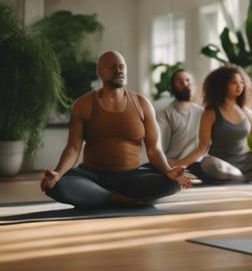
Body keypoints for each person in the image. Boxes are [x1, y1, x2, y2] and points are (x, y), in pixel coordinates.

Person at [40, 51, 190, 208]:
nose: (119, 71)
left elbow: (154, 149)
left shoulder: (142, 103)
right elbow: (73, 148)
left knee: (173, 183)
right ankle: (117, 197)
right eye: (113, 67)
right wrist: (57, 173)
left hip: (131, 177)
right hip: (91, 176)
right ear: (100, 72)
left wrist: (168, 171)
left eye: (121, 66)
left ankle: (101, 197)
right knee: (55, 186)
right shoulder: (83, 105)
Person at [175, 65, 252, 183]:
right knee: (208, 163)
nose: (239, 86)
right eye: (234, 83)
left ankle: (240, 177)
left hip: (246, 161)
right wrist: (180, 162)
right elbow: (203, 147)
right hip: (221, 164)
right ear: (222, 86)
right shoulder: (210, 112)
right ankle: (245, 177)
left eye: (242, 82)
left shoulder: (247, 112)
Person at [156, 68, 203, 166]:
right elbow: (159, 146)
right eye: (179, 81)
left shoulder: (202, 112)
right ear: (172, 87)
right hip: (172, 164)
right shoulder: (165, 114)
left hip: (197, 163)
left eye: (187, 80)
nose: (184, 84)